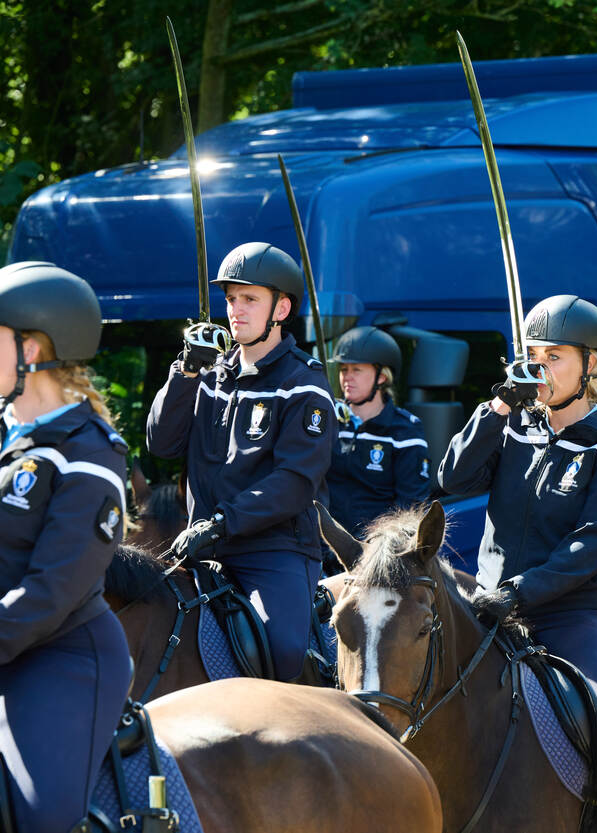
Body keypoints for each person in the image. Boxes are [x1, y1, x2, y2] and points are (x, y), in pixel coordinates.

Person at [438, 294, 597, 833]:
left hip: (570, 613)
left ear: (591, 365)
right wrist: (498, 407)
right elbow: (453, 478)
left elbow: (592, 545)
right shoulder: (512, 423)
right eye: (535, 356)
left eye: (556, 357)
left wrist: (521, 591)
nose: (541, 368)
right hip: (488, 605)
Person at [147, 242, 336, 681]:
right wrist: (185, 372)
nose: (236, 310)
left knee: (285, 651)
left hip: (272, 550)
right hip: (202, 547)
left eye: (250, 299)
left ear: (281, 309)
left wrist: (221, 522)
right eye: (231, 299)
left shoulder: (304, 383)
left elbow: (295, 481)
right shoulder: (209, 372)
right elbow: (161, 443)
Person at [0, 262, 132, 833]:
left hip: (61, 657)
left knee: (40, 816)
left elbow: (51, 592)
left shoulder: (91, 454)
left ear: (33, 351)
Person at [326, 325, 430, 538]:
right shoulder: (328, 419)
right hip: (325, 547)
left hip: (377, 554)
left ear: (381, 377)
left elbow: (410, 509)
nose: (347, 378)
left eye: (357, 370)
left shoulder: (405, 431)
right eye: (344, 369)